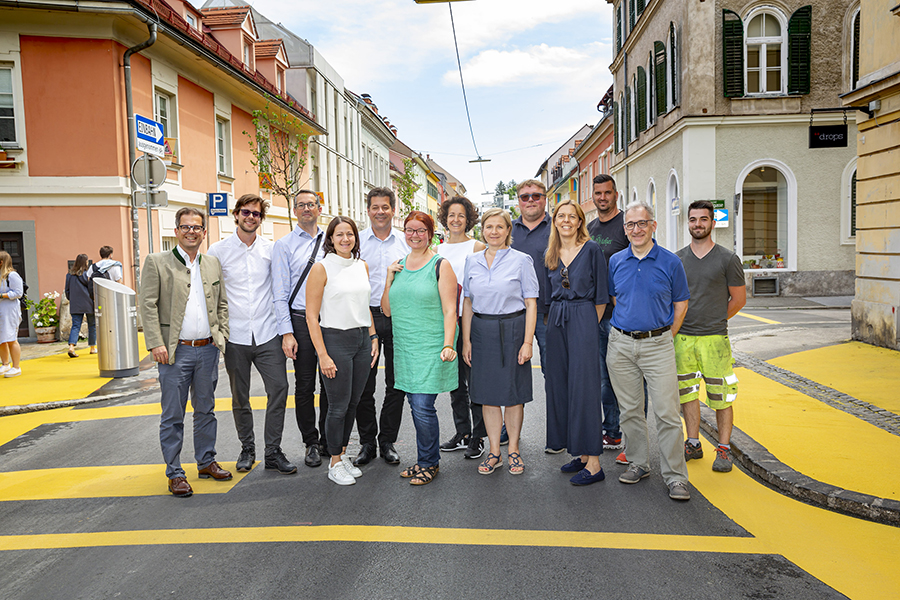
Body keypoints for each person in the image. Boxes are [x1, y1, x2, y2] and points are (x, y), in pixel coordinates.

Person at [140, 207, 231, 498]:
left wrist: (222, 337)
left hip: (207, 350)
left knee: (206, 410)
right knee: (173, 414)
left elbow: (222, 305)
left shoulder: (212, 263)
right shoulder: (157, 262)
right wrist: (156, 343)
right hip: (174, 353)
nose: (191, 231)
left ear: (204, 232)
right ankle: (175, 472)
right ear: (176, 231)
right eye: (185, 227)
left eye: (197, 227)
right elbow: (148, 305)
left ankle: (206, 461)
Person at [606, 201, 692, 501]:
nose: (636, 229)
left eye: (642, 223)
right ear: (625, 229)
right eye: (630, 225)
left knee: (667, 413)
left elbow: (681, 303)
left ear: (653, 225)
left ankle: (676, 477)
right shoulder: (616, 261)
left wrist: (666, 334)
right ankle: (638, 463)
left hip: (658, 344)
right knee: (630, 411)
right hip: (620, 344)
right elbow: (617, 298)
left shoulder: (671, 262)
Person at [208, 194, 296, 476]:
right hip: (235, 335)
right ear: (236, 215)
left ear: (261, 219)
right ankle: (247, 447)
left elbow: (281, 291)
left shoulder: (272, 250)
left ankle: (273, 451)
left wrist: (286, 332)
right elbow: (211, 292)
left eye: (256, 214)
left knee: (279, 388)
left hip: (268, 332)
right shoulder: (217, 251)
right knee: (239, 396)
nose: (251, 217)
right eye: (246, 212)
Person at [382, 211, 458, 486]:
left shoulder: (440, 265)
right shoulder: (399, 265)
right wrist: (389, 277)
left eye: (420, 230)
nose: (414, 235)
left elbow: (451, 310)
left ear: (430, 233)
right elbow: (387, 310)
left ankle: (429, 462)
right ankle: (424, 458)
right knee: (415, 405)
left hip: (432, 345)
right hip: (406, 346)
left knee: (423, 405)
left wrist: (449, 344)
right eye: (410, 230)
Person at [461, 208, 538, 475]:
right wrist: (466, 340)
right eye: (488, 227)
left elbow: (531, 303)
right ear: (482, 230)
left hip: (513, 329)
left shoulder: (522, 260)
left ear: (508, 231)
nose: (493, 232)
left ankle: (513, 449)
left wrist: (528, 342)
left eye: (499, 227)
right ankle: (494, 452)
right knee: (487, 396)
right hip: (482, 330)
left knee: (514, 394)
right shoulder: (472, 261)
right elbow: (467, 302)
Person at [306, 216, 379, 486]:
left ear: (355, 238)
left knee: (353, 403)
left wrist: (372, 336)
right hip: (334, 339)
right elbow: (311, 317)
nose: (345, 239)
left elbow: (365, 306)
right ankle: (334, 461)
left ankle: (343, 454)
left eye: (350, 234)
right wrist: (323, 355)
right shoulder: (322, 268)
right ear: (331, 239)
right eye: (339, 235)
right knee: (337, 406)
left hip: (361, 339)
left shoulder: (362, 265)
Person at [676, 200, 746, 473]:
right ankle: (692, 443)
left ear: (712, 223)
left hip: (715, 340)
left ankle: (724, 449)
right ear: (688, 223)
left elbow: (738, 300)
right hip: (682, 339)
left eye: (703, 219)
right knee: (688, 395)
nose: (698, 224)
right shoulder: (678, 259)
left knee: (721, 396)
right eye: (693, 219)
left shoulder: (727, 259)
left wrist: (715, 320)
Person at [543, 200, 609, 486]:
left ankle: (594, 463)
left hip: (583, 316)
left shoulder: (592, 250)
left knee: (585, 388)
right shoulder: (551, 252)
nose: (566, 220)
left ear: (581, 221)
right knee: (560, 386)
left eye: (572, 216)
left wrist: (586, 327)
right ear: (555, 221)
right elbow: (548, 294)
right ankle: (580, 454)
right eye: (561, 216)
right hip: (557, 319)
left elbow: (602, 297)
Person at [272, 190, 329, 468]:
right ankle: (312, 442)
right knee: (305, 385)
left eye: (311, 204)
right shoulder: (283, 245)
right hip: (299, 321)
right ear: (295, 210)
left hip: (330, 320)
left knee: (330, 381)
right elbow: (280, 292)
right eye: (301, 205)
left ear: (320, 208)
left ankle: (330, 438)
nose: (307, 209)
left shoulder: (332, 239)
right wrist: (287, 332)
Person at [355, 187, 409, 467]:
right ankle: (367, 442)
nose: (380, 212)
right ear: (368, 210)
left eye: (385, 207)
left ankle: (387, 440)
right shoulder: (357, 242)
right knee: (364, 383)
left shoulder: (404, 243)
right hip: (364, 317)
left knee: (396, 383)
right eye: (375, 207)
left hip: (397, 316)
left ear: (393, 210)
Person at [437, 195, 487, 460]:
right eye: (451, 215)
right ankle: (462, 432)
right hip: (448, 323)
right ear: (445, 218)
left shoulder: (477, 247)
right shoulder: (437, 250)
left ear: (468, 219)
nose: (456, 220)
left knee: (474, 381)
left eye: (461, 215)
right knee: (455, 384)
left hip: (471, 321)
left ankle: (478, 436)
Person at [587, 174, 629, 456]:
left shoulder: (628, 226)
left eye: (607, 193)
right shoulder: (589, 228)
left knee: (628, 380)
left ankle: (635, 439)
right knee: (604, 379)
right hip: (596, 314)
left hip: (623, 316)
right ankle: (612, 432)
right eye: (598, 193)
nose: (603, 197)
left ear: (616, 195)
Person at [64, 254, 96, 358]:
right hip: (88, 302)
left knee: (76, 325)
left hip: (75, 303)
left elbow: (67, 291)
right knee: (92, 325)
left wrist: (72, 299)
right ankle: (92, 347)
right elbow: (91, 288)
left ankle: (71, 347)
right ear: (85, 262)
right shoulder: (87, 274)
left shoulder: (69, 275)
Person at [0, 251, 23, 378]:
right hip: (1, 310)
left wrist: (2, 295)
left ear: (2, 262)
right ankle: (5, 364)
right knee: (1, 339)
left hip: (10, 310)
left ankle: (16, 367)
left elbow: (18, 293)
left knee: (11, 338)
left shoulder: (12, 275)